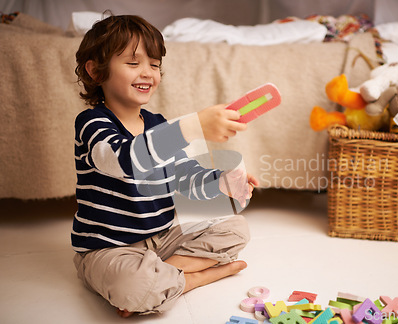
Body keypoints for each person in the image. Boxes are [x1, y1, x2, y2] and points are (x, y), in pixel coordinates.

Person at [72, 14, 258, 318]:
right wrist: (192, 126)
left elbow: (185, 179)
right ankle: (196, 276)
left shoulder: (157, 125)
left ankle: (162, 280)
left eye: (155, 64)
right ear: (95, 72)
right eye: (133, 63)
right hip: (108, 250)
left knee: (235, 227)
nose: (148, 73)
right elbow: (124, 161)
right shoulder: (92, 123)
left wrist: (221, 182)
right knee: (133, 282)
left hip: (162, 238)